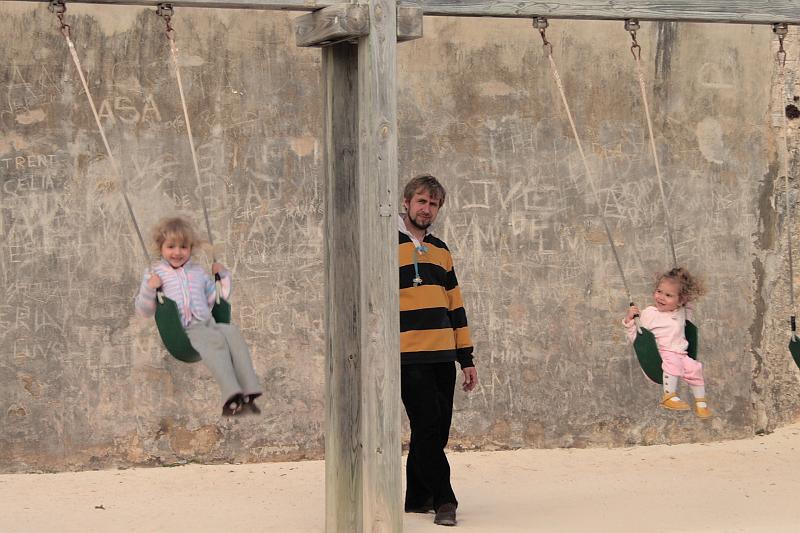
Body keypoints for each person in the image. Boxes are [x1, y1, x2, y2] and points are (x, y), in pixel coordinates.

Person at [399, 175, 478, 527]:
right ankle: (445, 500)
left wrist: (466, 359)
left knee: (436, 429)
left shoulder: (442, 250)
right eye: (421, 201)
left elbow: (455, 306)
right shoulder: (385, 245)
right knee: (428, 425)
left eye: (433, 204)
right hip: (408, 355)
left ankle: (417, 497)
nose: (426, 209)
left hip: (444, 355)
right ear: (407, 203)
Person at [134, 216, 263, 416]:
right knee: (214, 340)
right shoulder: (155, 273)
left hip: (207, 323)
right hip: (184, 331)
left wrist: (223, 276)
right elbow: (144, 310)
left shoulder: (198, 272)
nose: (177, 252)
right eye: (171, 246)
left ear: (191, 248)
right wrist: (151, 289)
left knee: (231, 333)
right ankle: (231, 396)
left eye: (183, 247)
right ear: (161, 247)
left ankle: (249, 391)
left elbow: (217, 298)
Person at [624, 267, 712, 419]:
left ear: (681, 300)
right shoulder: (650, 313)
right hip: (660, 355)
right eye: (659, 291)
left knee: (695, 368)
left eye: (668, 295)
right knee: (673, 361)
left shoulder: (682, 312)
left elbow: (688, 303)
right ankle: (669, 396)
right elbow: (638, 336)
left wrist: (683, 287)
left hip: (682, 354)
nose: (661, 297)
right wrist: (630, 320)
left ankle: (701, 404)